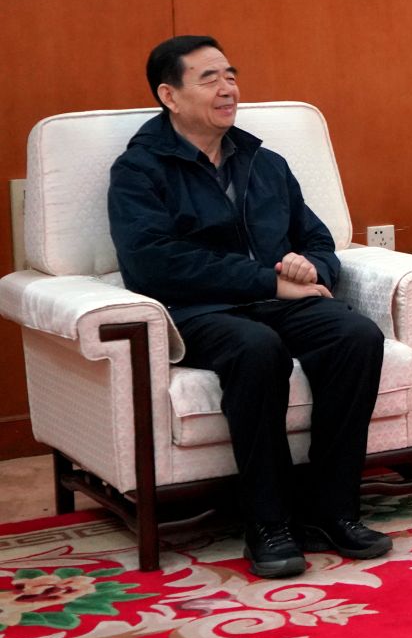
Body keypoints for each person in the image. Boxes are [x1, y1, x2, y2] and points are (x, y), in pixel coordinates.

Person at [107, 37, 391, 580]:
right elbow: (152, 264)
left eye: (231, 76)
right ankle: (268, 522)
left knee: (355, 336)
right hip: (198, 311)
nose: (228, 88)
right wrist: (269, 281)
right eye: (209, 78)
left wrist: (311, 268)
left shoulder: (264, 162)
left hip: (274, 299)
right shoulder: (140, 170)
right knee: (257, 349)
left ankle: (332, 509)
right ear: (169, 95)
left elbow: (318, 239)